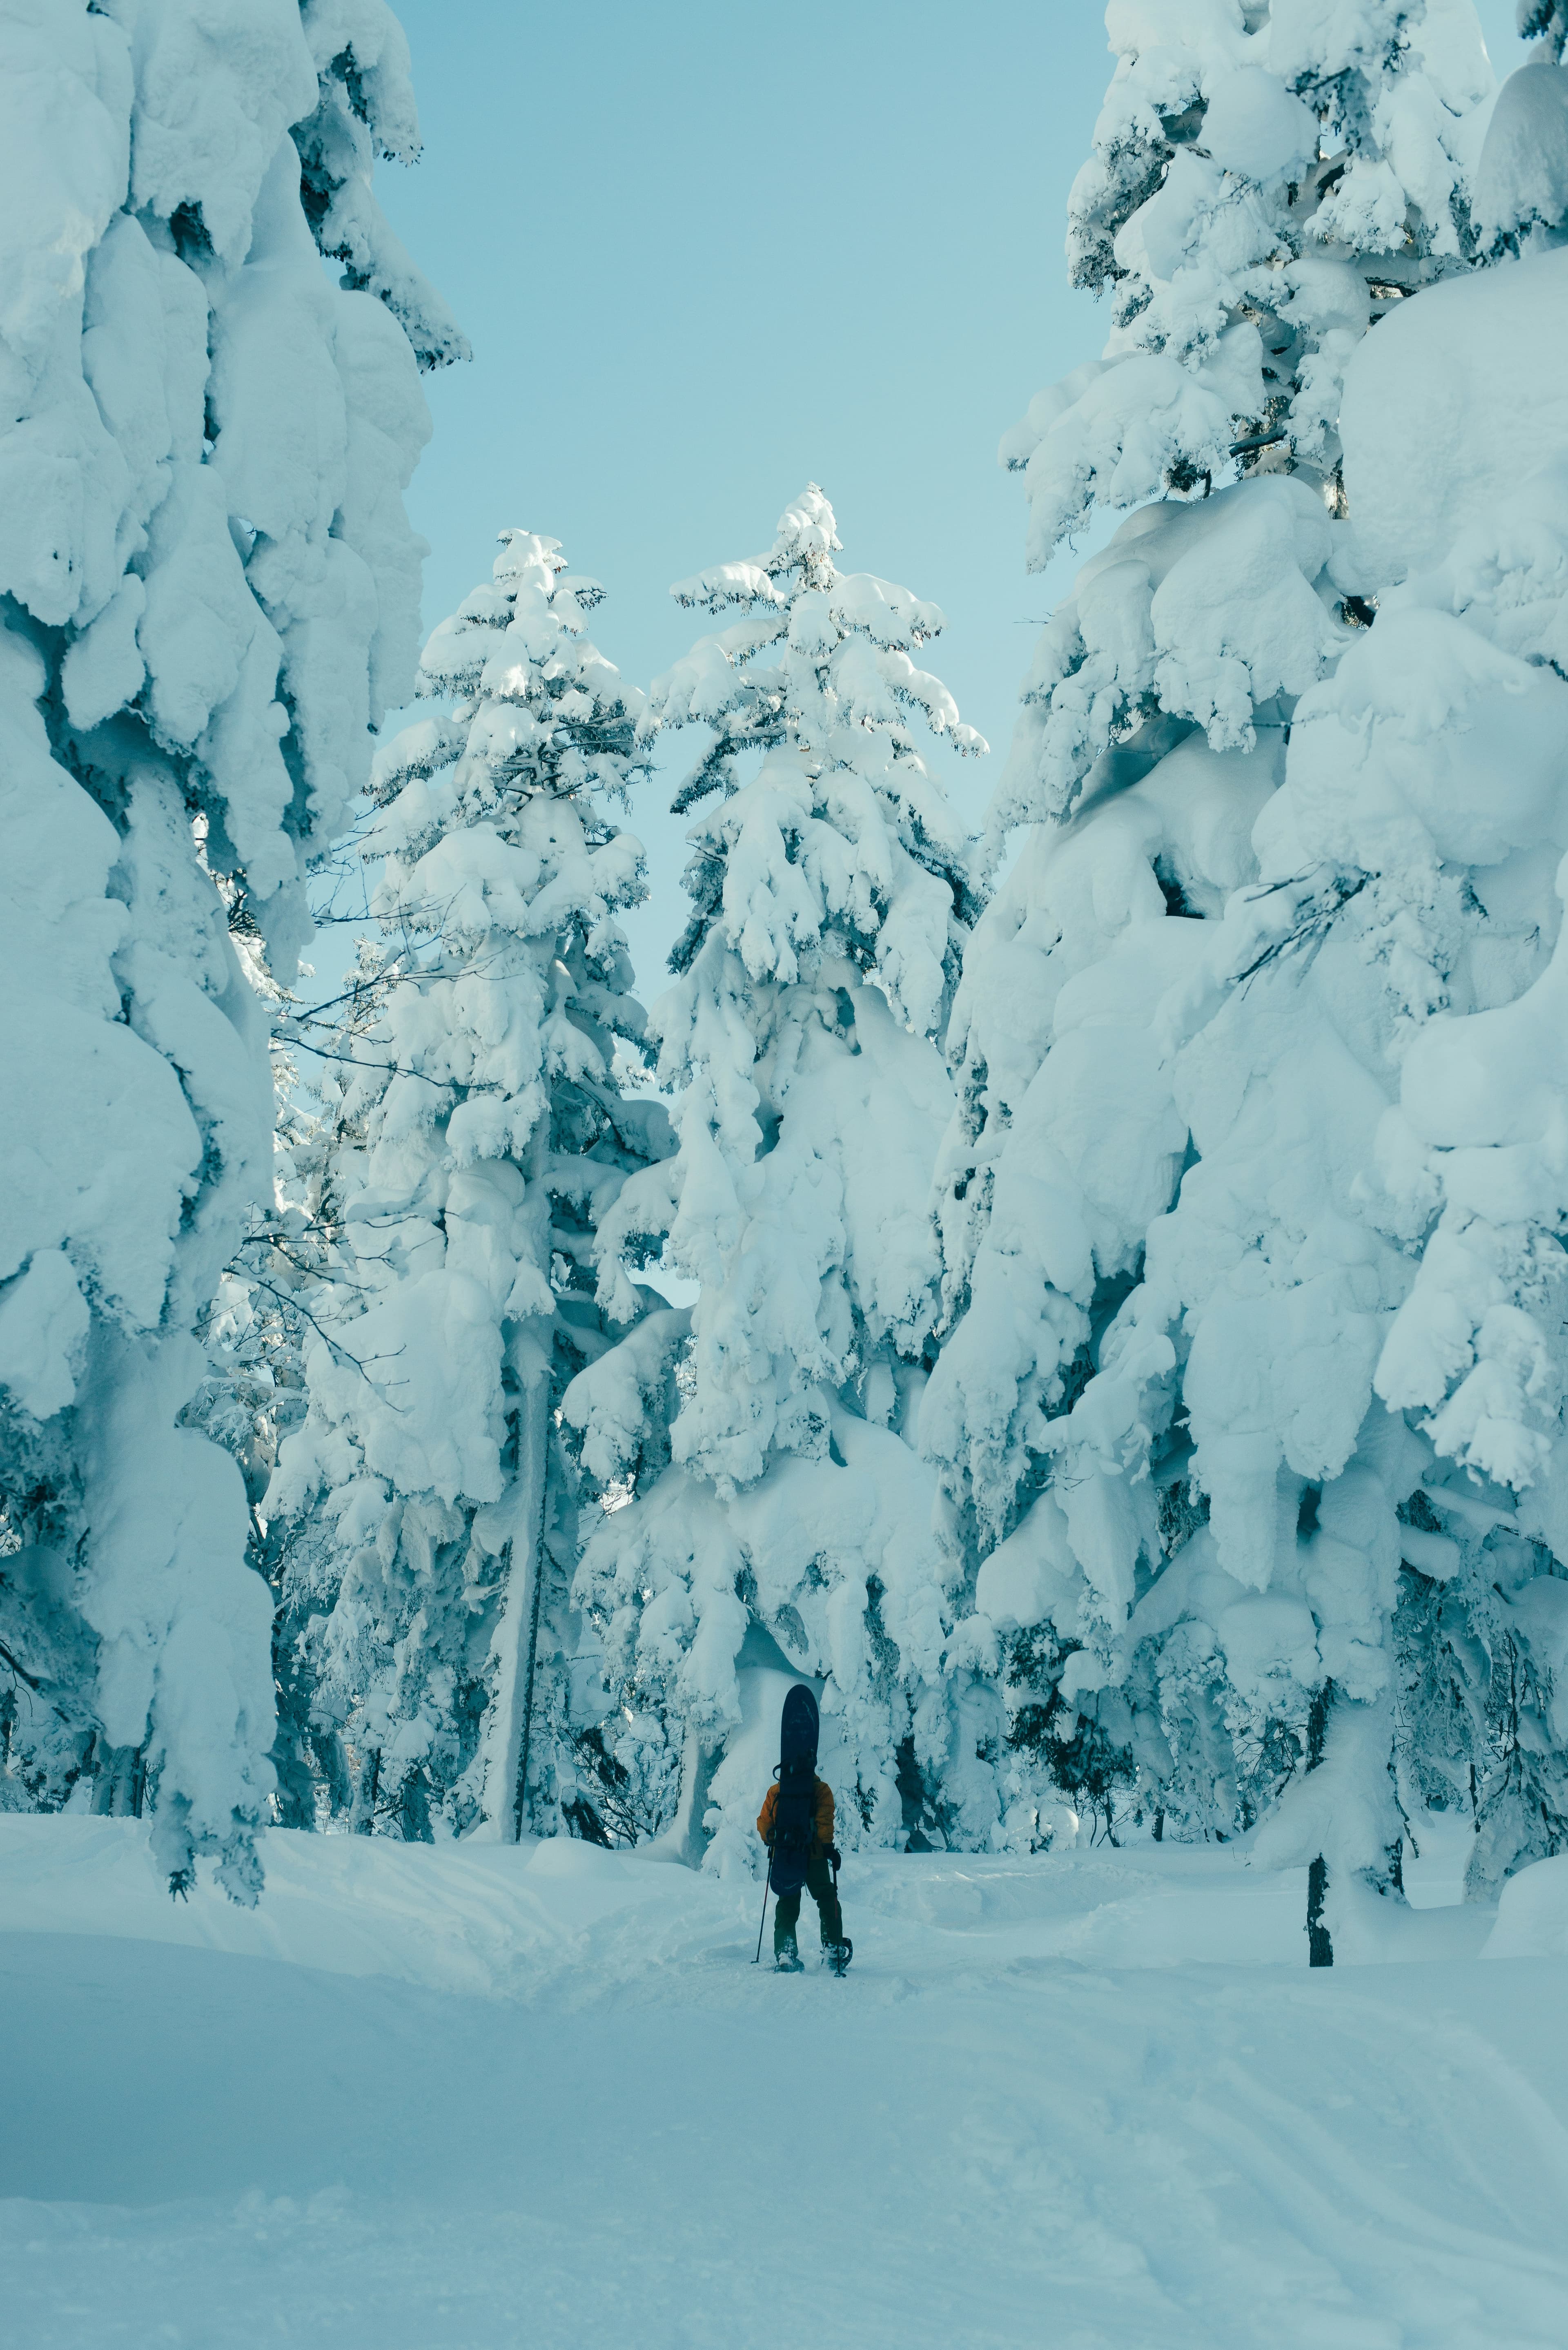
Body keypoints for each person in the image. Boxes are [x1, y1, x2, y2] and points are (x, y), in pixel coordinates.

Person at [757, 1764, 847, 1973]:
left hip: (787, 1856)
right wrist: (828, 1849)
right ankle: (833, 1949)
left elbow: (764, 1826)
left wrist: (776, 1841)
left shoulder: (776, 1791)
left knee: (787, 1902)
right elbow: (825, 1821)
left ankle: (786, 1953)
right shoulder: (822, 1789)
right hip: (815, 1856)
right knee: (826, 1897)